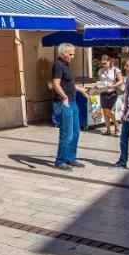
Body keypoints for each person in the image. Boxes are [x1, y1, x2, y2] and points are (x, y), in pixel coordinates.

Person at [51, 43, 82, 171]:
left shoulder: (66, 65)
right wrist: (64, 97)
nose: (73, 56)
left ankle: (70, 158)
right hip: (65, 103)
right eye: (70, 54)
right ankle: (60, 160)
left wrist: (80, 89)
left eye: (73, 53)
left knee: (76, 132)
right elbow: (56, 84)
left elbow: (68, 83)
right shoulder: (58, 65)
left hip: (73, 102)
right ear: (63, 53)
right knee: (66, 134)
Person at [94, 55, 122, 137]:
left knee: (107, 110)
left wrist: (113, 86)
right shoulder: (100, 71)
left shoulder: (115, 70)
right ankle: (108, 129)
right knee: (104, 111)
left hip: (112, 92)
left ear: (110, 62)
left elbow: (121, 80)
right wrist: (98, 85)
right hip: (103, 92)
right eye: (102, 64)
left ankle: (117, 125)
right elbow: (100, 81)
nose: (103, 65)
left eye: (105, 63)